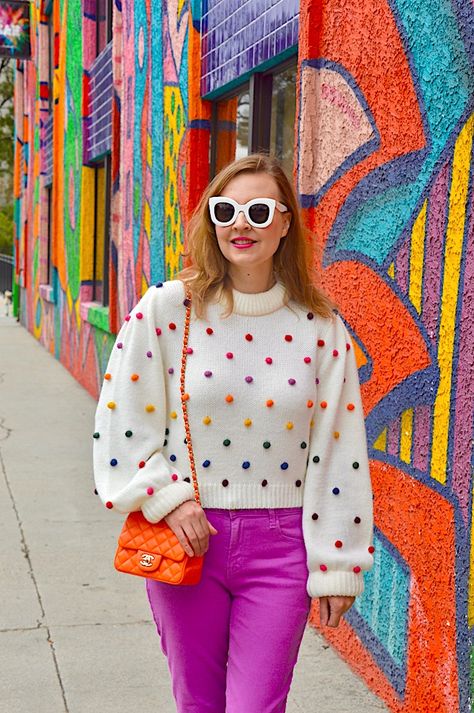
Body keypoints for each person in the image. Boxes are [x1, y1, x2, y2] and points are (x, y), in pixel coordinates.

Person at [93, 153, 374, 713]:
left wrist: (338, 562)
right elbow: (121, 421)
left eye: (258, 210)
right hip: (188, 537)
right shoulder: (170, 309)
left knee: (255, 707)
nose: (240, 223)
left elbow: (339, 448)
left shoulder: (320, 327)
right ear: (211, 220)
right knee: (198, 703)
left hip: (283, 548)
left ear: (286, 221)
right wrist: (167, 499)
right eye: (226, 210)